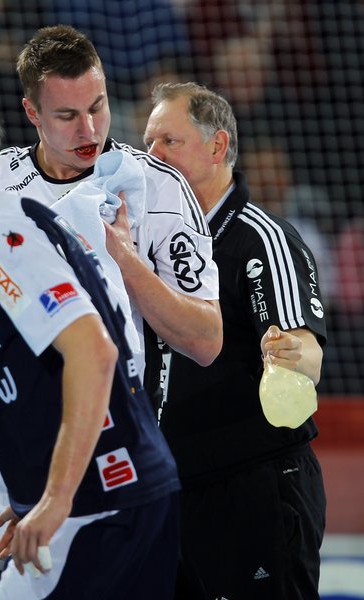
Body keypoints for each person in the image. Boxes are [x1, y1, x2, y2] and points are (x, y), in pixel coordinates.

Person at [0, 25, 222, 600]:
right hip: (2, 450)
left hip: (110, 452)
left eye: (97, 107)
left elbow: (206, 339)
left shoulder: (157, 188)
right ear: (32, 112)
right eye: (67, 115)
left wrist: (126, 261)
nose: (89, 130)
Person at [144, 82, 327, 600]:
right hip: (171, 488)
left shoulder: (262, 239)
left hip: (253, 485)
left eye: (169, 142)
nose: (151, 155)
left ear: (217, 147)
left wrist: (293, 354)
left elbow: (307, 352)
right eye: (148, 141)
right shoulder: (146, 240)